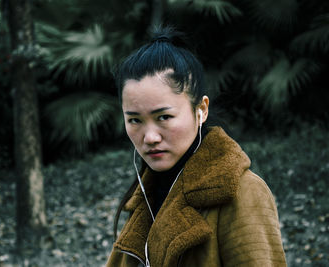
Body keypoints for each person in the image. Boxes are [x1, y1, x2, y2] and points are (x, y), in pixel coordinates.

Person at [106, 27, 287, 267]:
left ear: (201, 110)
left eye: (164, 117)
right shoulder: (145, 196)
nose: (149, 137)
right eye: (135, 120)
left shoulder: (242, 192)